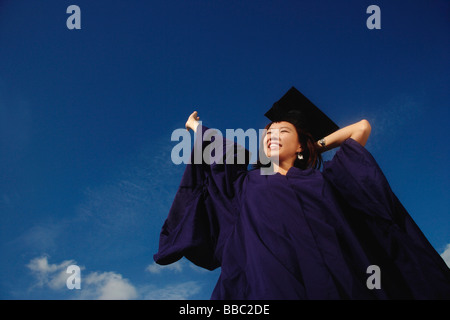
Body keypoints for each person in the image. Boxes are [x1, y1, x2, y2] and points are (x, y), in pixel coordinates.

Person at [154, 89, 450, 299]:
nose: (271, 135)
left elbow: (361, 128)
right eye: (268, 132)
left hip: (338, 281)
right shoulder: (247, 183)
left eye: (282, 132)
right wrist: (196, 129)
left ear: (300, 146)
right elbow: (221, 152)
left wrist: (312, 147)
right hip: (268, 285)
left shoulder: (326, 181)